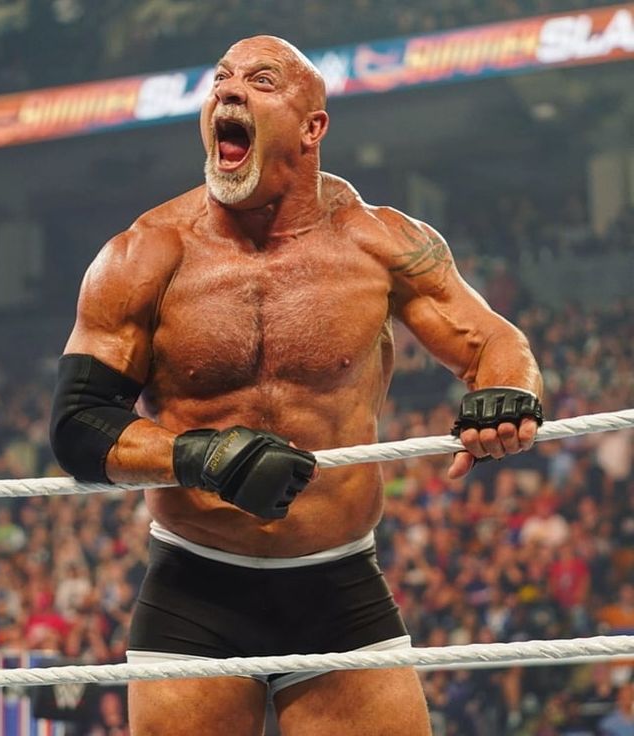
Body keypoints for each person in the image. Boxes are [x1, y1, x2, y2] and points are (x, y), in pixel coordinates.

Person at [50, 35, 543, 736]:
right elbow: (76, 426)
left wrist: (505, 395)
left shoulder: (379, 243)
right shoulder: (144, 253)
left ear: (313, 127)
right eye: (220, 78)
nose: (228, 91)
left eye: (261, 80)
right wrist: (202, 457)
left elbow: (497, 343)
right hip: (195, 587)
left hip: (336, 585)